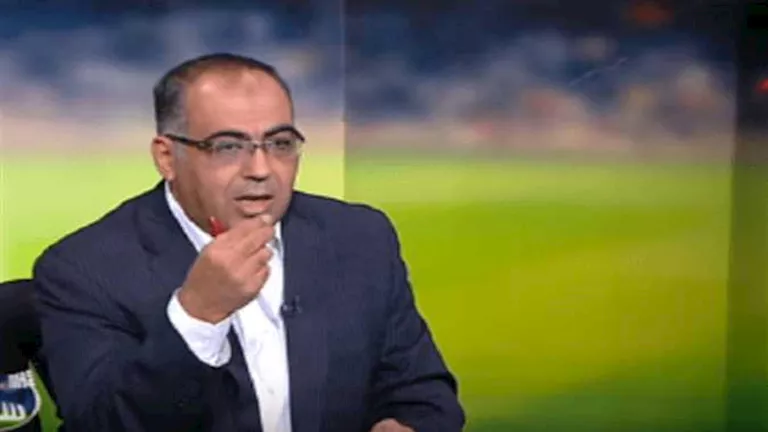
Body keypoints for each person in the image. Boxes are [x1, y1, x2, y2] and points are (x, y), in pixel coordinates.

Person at [32, 52, 464, 432]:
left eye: (280, 144)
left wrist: (409, 424)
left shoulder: (359, 237)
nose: (261, 169)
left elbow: (422, 393)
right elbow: (104, 423)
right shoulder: (82, 269)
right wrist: (198, 315)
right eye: (227, 146)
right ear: (167, 157)